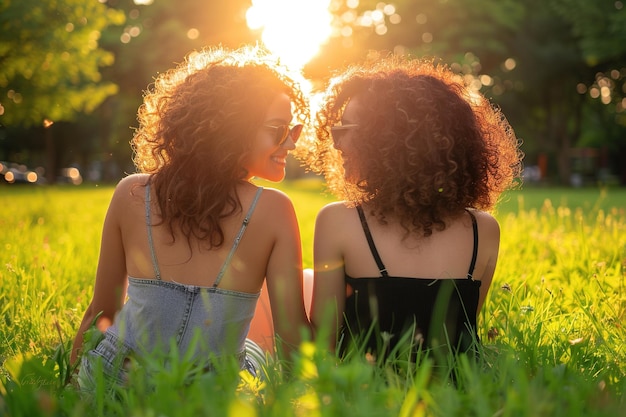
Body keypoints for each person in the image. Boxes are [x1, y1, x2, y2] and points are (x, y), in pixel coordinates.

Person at [70, 46, 311, 390]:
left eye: (294, 129)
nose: (291, 143)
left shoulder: (131, 192)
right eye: (278, 129)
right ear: (232, 129)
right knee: (258, 351)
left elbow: (101, 311)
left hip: (115, 382)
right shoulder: (274, 210)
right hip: (211, 395)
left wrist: (68, 386)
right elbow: (291, 338)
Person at [307, 56, 522, 365]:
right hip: (455, 401)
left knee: (304, 282)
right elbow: (456, 333)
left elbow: (324, 339)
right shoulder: (484, 229)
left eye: (346, 130)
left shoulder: (337, 220)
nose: (337, 144)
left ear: (384, 140)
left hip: (362, 393)